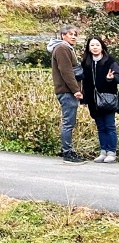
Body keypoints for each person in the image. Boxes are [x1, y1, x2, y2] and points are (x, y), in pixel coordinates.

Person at [49, 26, 87, 163]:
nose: (73, 37)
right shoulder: (62, 48)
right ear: (62, 35)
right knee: (68, 123)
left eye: (75, 34)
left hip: (66, 90)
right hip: (67, 91)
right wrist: (76, 89)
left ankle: (67, 150)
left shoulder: (65, 48)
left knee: (68, 122)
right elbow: (66, 71)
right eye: (70, 34)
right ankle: (67, 153)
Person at [81, 37, 119, 163]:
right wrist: (84, 99)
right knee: (100, 126)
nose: (95, 47)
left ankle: (111, 152)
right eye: (92, 45)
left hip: (108, 98)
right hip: (93, 100)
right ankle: (103, 151)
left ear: (102, 46)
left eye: (97, 44)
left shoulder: (110, 61)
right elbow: (84, 83)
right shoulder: (86, 62)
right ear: (88, 48)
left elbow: (118, 77)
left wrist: (110, 78)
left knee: (109, 125)